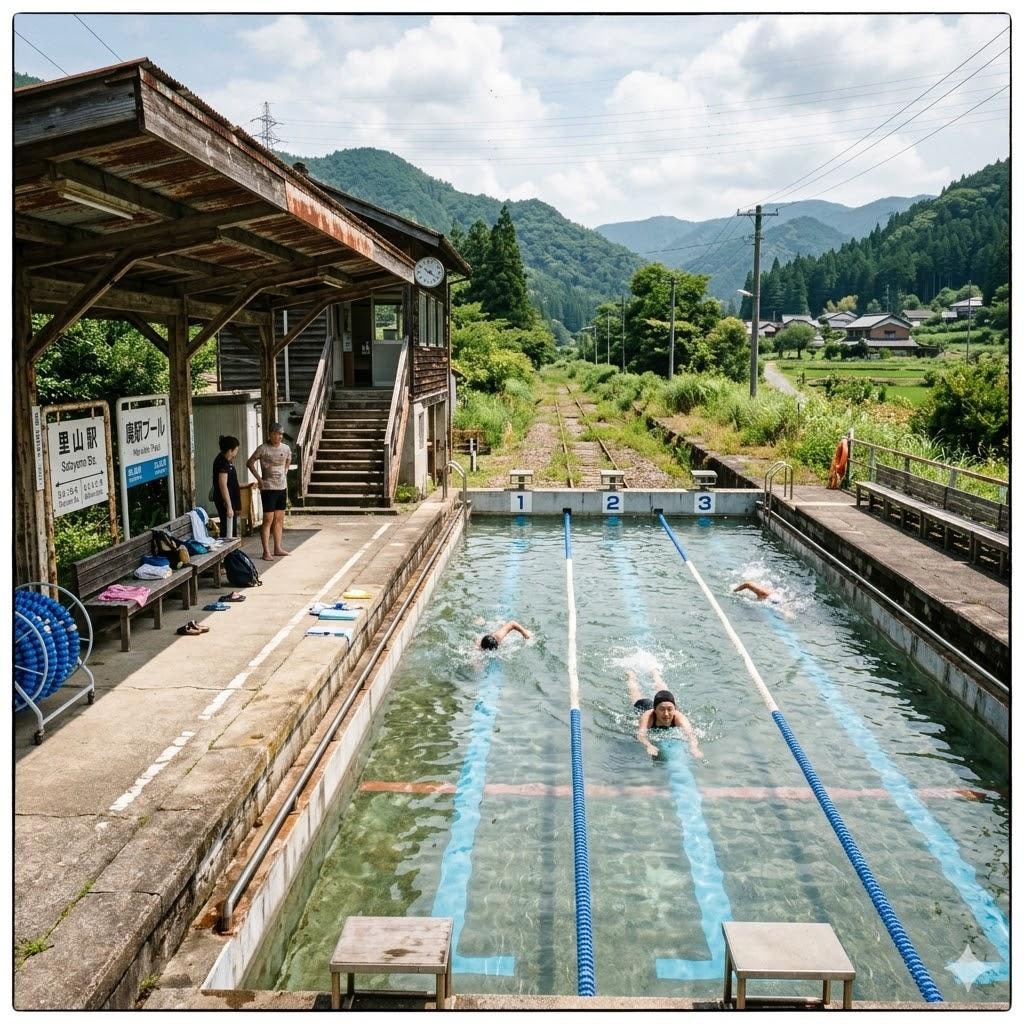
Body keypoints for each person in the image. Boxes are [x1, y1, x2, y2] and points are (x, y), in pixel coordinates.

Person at [627, 668, 703, 760]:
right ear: (655, 710)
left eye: (670, 709)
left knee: (665, 692)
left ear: (675, 709)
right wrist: (648, 745)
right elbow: (641, 735)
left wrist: (694, 748)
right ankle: (631, 675)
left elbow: (691, 735)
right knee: (636, 694)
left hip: (661, 703)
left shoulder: (679, 718)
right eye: (662, 710)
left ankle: (655, 673)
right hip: (644, 706)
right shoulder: (648, 717)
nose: (666, 714)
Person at [247, 422, 292, 561]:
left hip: (281, 487)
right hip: (268, 488)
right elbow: (250, 462)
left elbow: (288, 459)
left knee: (279, 519)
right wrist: (260, 480)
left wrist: (285, 471)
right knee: (268, 520)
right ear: (270, 434)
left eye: (281, 434)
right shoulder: (263, 449)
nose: (279, 436)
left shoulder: (286, 448)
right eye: (276, 434)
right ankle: (266, 551)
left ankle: (277, 548)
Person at [212, 435, 241, 539]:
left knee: (231, 528)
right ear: (230, 450)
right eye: (236, 450)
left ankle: (231, 553)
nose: (236, 452)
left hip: (229, 499)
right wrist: (229, 506)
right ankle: (228, 554)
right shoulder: (222, 463)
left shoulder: (227, 461)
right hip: (224, 500)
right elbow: (223, 485)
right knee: (227, 528)